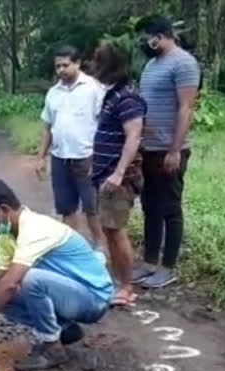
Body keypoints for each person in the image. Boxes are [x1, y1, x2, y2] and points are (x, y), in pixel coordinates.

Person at [0, 178, 114, 371]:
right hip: (70, 294)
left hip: (94, 298)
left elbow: (11, 283)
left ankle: (52, 348)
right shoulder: (6, 235)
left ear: (4, 209)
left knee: (27, 280)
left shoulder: (35, 229)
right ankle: (64, 330)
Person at [132, 15, 201, 289]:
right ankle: (149, 262)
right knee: (150, 206)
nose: (143, 43)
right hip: (149, 149)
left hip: (170, 150)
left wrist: (175, 150)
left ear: (159, 35)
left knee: (170, 208)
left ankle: (168, 267)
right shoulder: (150, 65)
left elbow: (186, 108)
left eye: (145, 37)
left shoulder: (184, 63)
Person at [91, 43, 147, 308]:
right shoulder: (113, 95)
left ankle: (127, 287)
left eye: (98, 62)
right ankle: (119, 283)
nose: (94, 67)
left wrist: (119, 172)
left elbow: (134, 136)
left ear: (111, 66)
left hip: (119, 178)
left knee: (117, 230)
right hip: (106, 175)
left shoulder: (128, 98)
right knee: (109, 230)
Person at [35, 45, 106, 249]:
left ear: (77, 63)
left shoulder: (93, 88)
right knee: (66, 208)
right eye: (57, 66)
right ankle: (72, 250)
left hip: (87, 157)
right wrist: (41, 158)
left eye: (65, 65)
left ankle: (99, 247)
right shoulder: (53, 93)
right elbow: (48, 128)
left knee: (91, 207)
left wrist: (100, 158)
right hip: (60, 157)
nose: (61, 70)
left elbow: (103, 125)